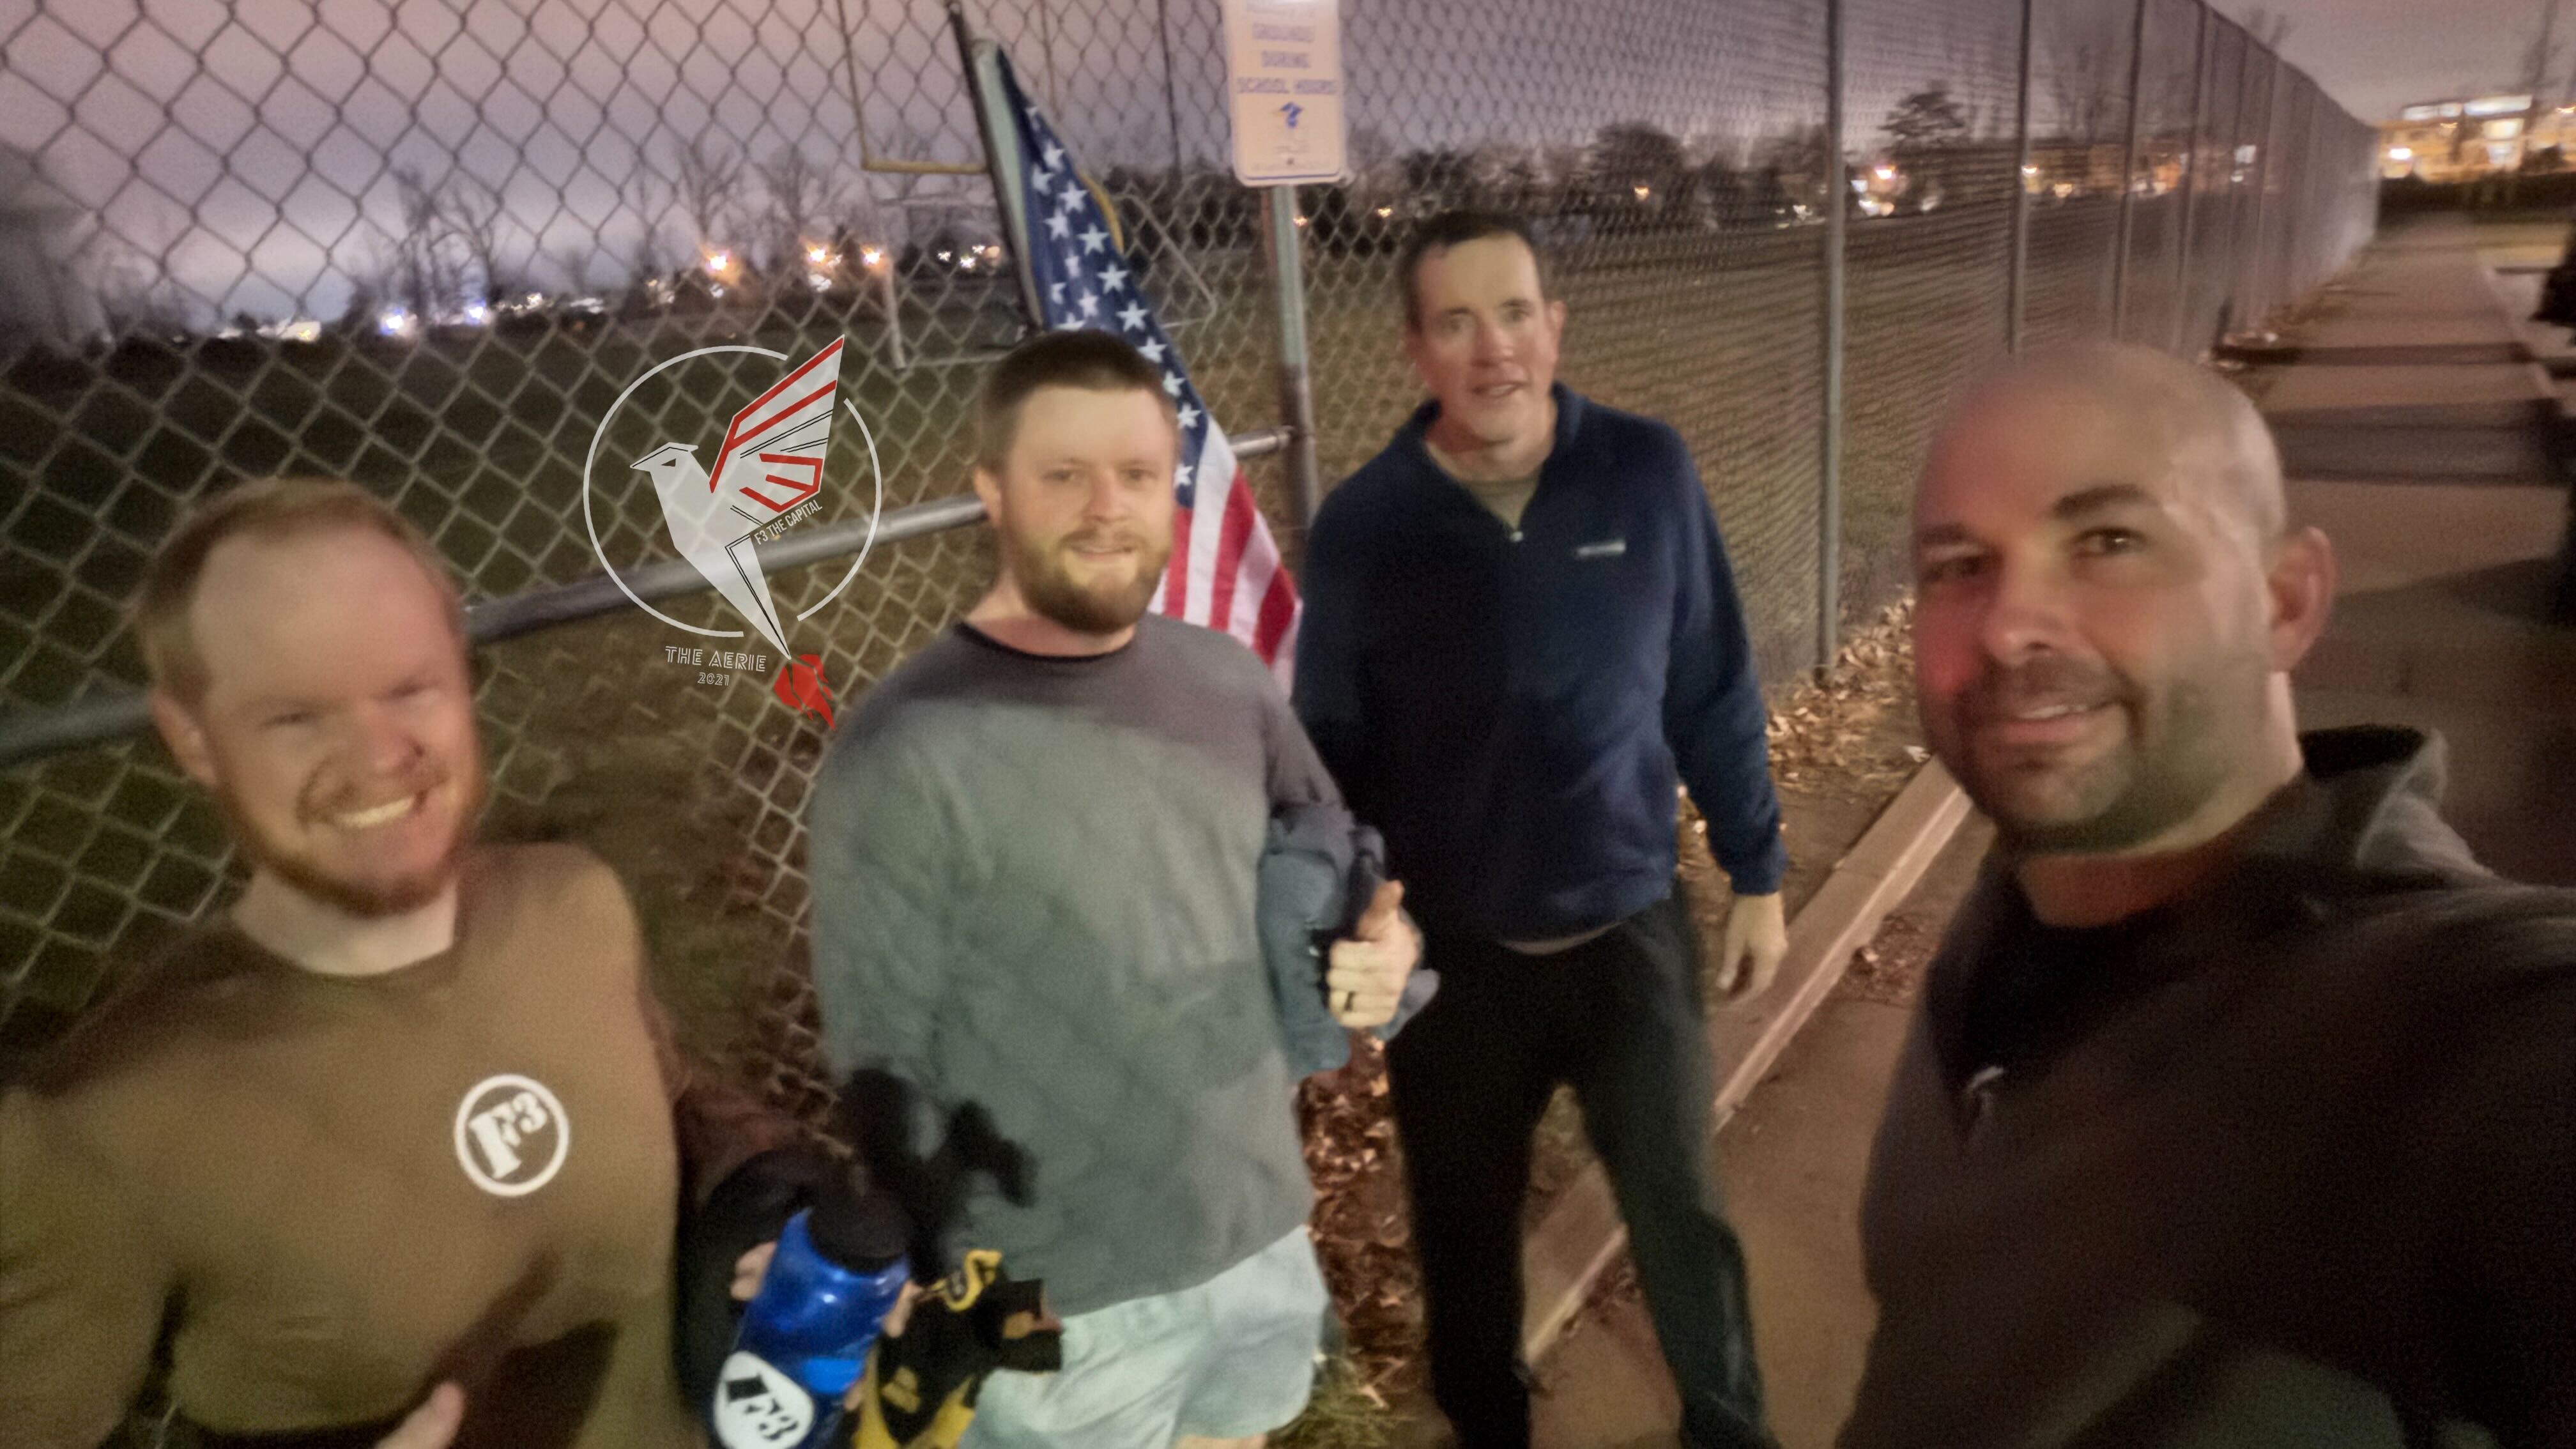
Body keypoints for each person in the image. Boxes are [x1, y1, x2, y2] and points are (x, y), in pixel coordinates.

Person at [1844, 342, 2576, 1447]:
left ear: (2286, 601)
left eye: (2108, 542)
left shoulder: (2442, 1026)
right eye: (1960, 565)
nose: (2006, 624)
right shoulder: (2013, 920)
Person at [0, 478, 799, 1449]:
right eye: (295, 717)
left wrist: (777, 1195)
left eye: (409, 688)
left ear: (463, 680)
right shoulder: (100, 1125)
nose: (380, 754)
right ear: (194, 740)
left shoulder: (573, 904)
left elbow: (673, 1105)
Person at [803, 329, 1420, 1449]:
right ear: (992, 491)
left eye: (1136, 474)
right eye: (1064, 474)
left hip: (1254, 1231)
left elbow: (1344, 862)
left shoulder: (1224, 681)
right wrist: (944, 1278)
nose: (1106, 507)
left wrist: (1388, 950)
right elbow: (881, 1062)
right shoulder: (905, 751)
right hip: (1065, 1306)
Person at [1292, 210, 1788, 1449]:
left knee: (1682, 1209)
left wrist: (1758, 870)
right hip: (1457, 961)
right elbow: (1329, 756)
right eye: (1457, 322)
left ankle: (1731, 1427)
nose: (1493, 348)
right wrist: (1348, 929)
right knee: (1464, 1233)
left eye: (1515, 313)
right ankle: (1489, 1427)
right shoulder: (1366, 527)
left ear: (1555, 327)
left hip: (1631, 927)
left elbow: (1711, 684)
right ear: (1415, 351)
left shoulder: (1646, 472)